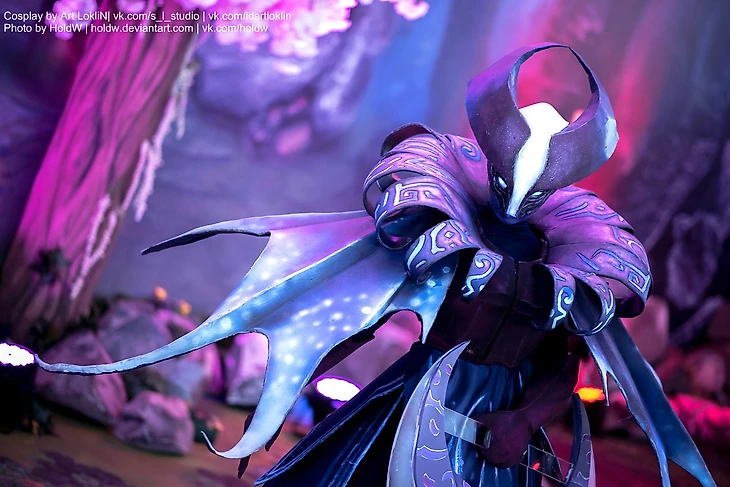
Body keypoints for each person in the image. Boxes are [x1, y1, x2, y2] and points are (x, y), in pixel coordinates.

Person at [38, 43, 716, 487]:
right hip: (414, 397)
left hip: (496, 431)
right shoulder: (444, 214)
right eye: (506, 179)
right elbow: (369, 306)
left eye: (531, 190)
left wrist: (521, 420)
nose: (513, 200)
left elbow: (560, 366)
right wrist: (297, 375)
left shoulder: (571, 259)